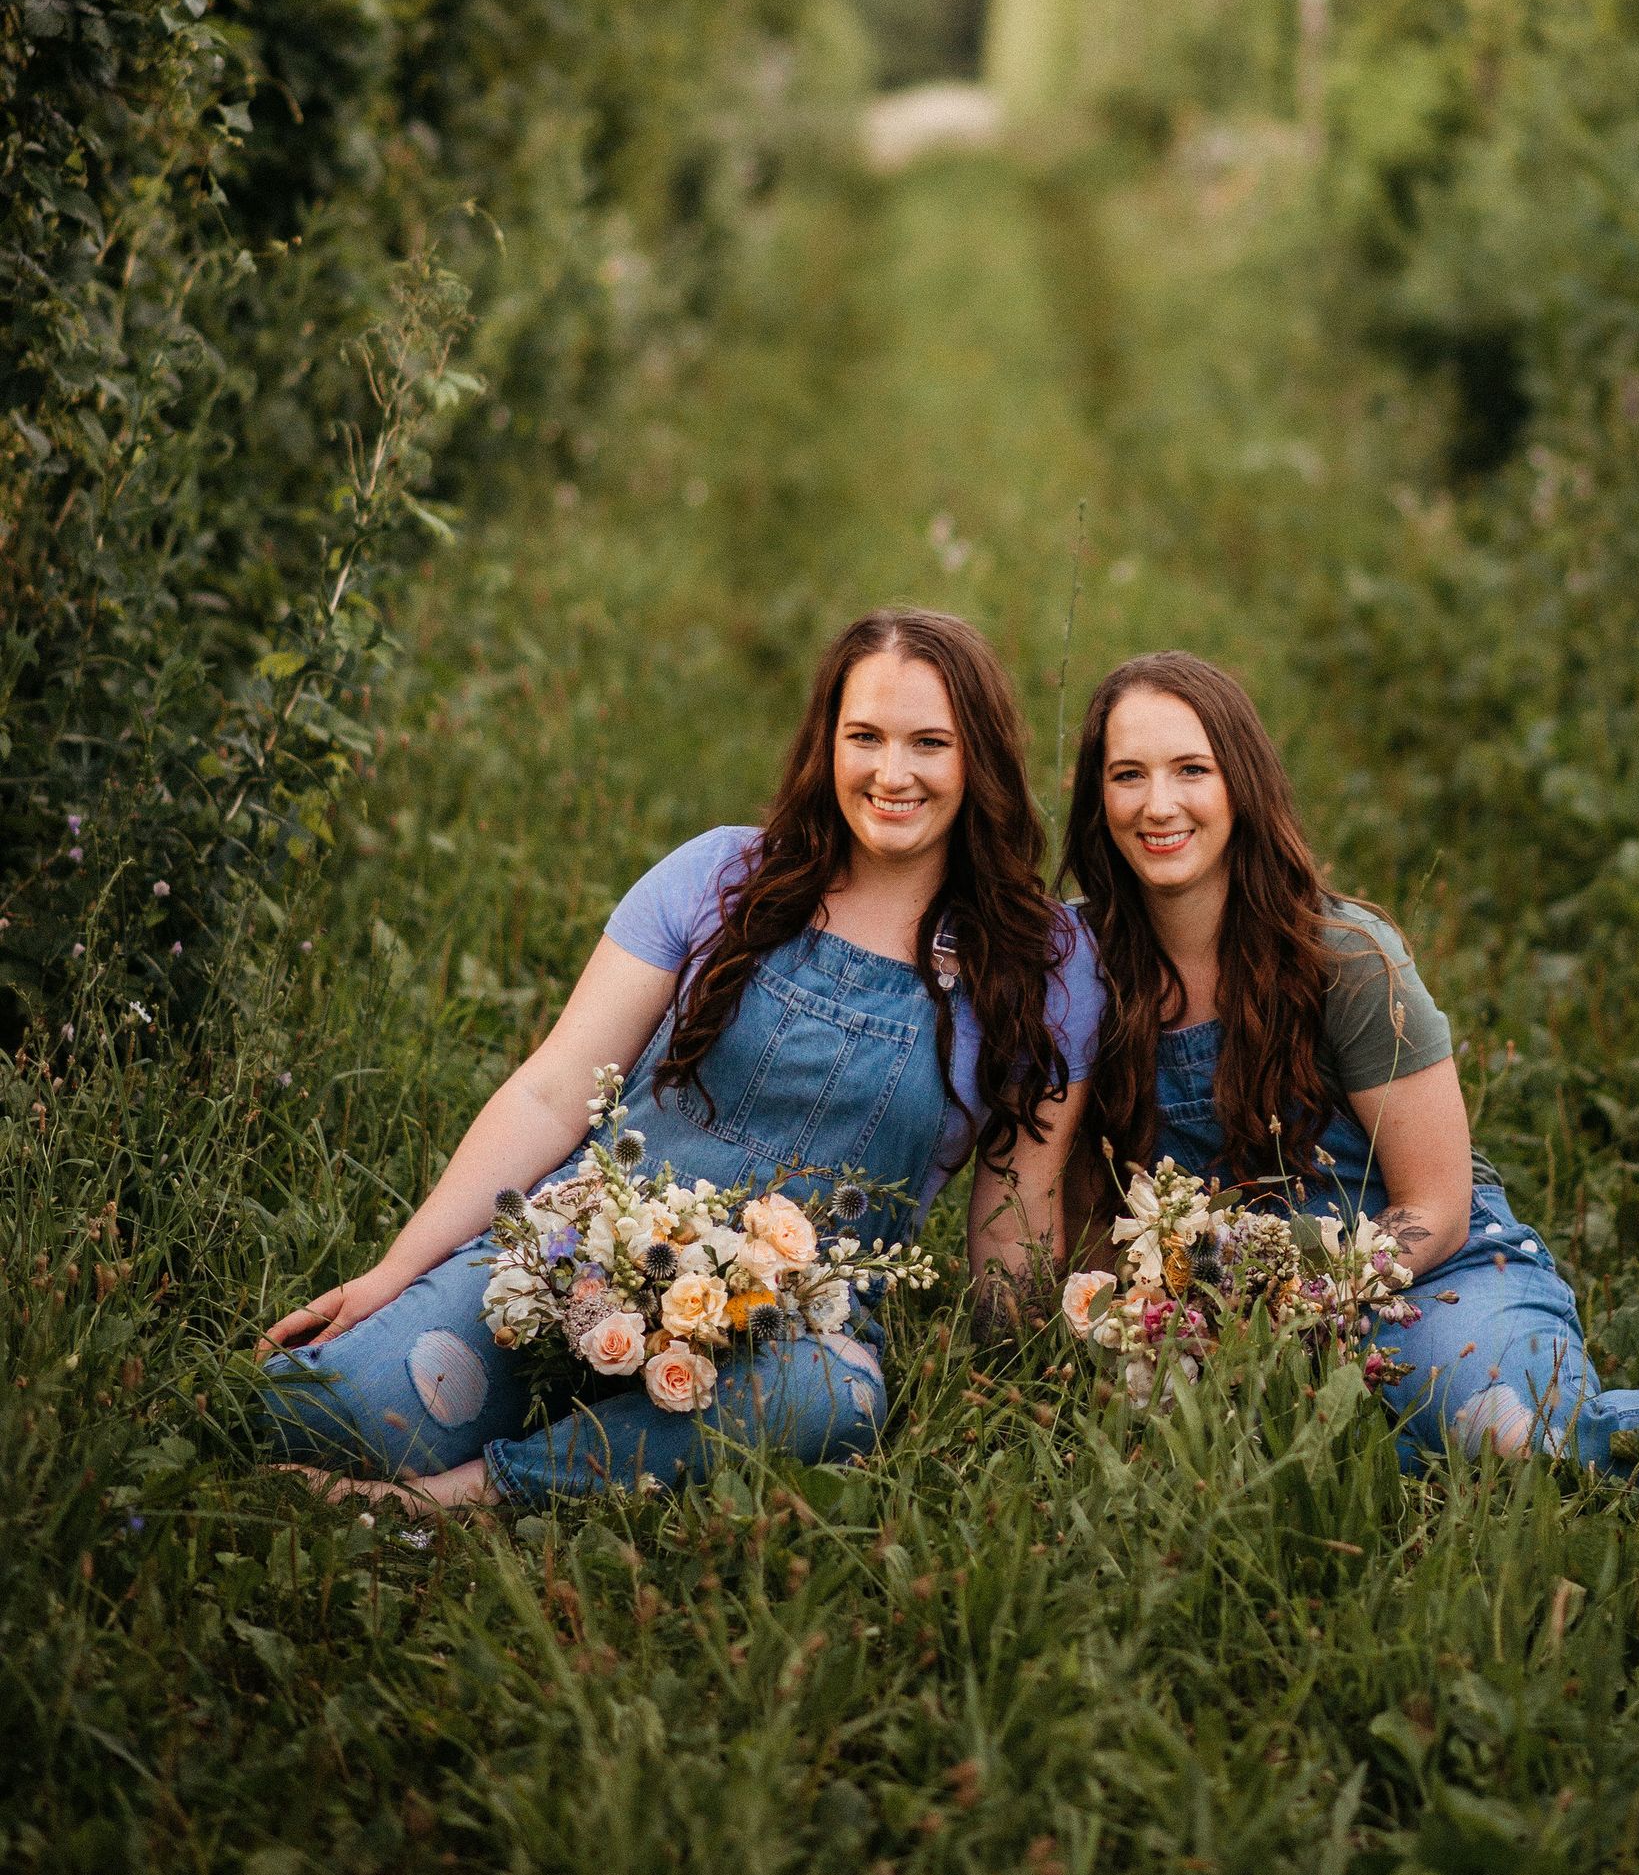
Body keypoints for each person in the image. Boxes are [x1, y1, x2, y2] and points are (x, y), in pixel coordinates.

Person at [259, 609, 1098, 1506]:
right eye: (866, 737)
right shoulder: (721, 876)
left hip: (790, 1329)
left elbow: (1014, 1224)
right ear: (829, 743)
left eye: (930, 743)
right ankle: (559, 1414)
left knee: (831, 1402)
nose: (893, 774)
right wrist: (396, 1273)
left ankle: (465, 1498)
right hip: (583, 1258)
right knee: (319, 1410)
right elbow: (550, 1095)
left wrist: (1029, 1389)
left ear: (979, 759)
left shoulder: (1039, 967)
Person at [1059, 651, 1639, 1470]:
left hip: (1424, 1270)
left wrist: (1307, 1302)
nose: (1158, 804)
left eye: (1191, 769)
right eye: (1128, 774)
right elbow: (1090, 1205)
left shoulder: (1345, 959)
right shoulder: (1080, 969)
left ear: (1241, 783)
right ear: (1098, 797)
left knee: (1505, 1436)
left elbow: (1438, 1201)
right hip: (1219, 1311)